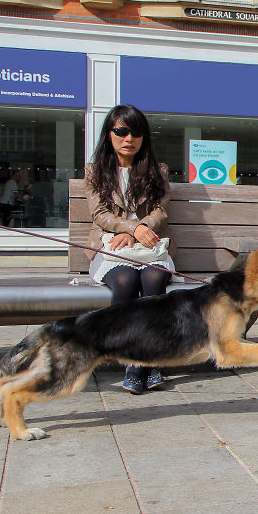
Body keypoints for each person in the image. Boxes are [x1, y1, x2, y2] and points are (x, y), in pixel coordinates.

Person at [84, 104, 176, 394]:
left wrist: (140, 231)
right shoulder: (95, 171)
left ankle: (147, 359)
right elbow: (99, 215)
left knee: (153, 279)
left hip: (149, 247)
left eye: (136, 132)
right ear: (109, 134)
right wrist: (130, 228)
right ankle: (133, 359)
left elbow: (161, 212)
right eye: (121, 131)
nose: (129, 138)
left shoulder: (156, 171)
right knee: (125, 280)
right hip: (112, 247)